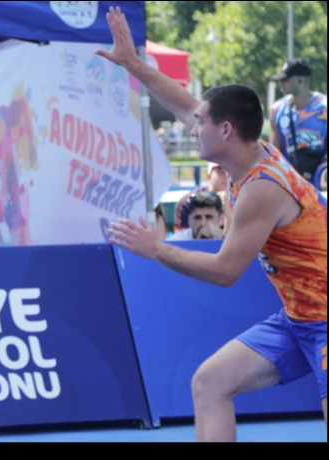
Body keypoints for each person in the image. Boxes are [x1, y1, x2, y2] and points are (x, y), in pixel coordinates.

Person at [98, 7, 327, 442]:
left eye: (200, 124)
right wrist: (131, 62)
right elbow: (184, 103)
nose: (191, 127)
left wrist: (156, 248)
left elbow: (225, 272)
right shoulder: (246, 149)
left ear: (225, 131)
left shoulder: (263, 187)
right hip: (299, 318)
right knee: (210, 383)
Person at [269, 58, 327, 183]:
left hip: (321, 179)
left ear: (300, 80)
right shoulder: (277, 110)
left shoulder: (324, 107)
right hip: (291, 183)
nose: (280, 83)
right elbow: (274, 156)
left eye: (285, 80)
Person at [174, 162, 230, 232]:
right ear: (209, 176)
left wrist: (228, 214)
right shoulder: (188, 202)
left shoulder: (239, 200)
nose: (226, 175)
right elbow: (181, 237)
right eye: (221, 172)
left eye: (230, 171)